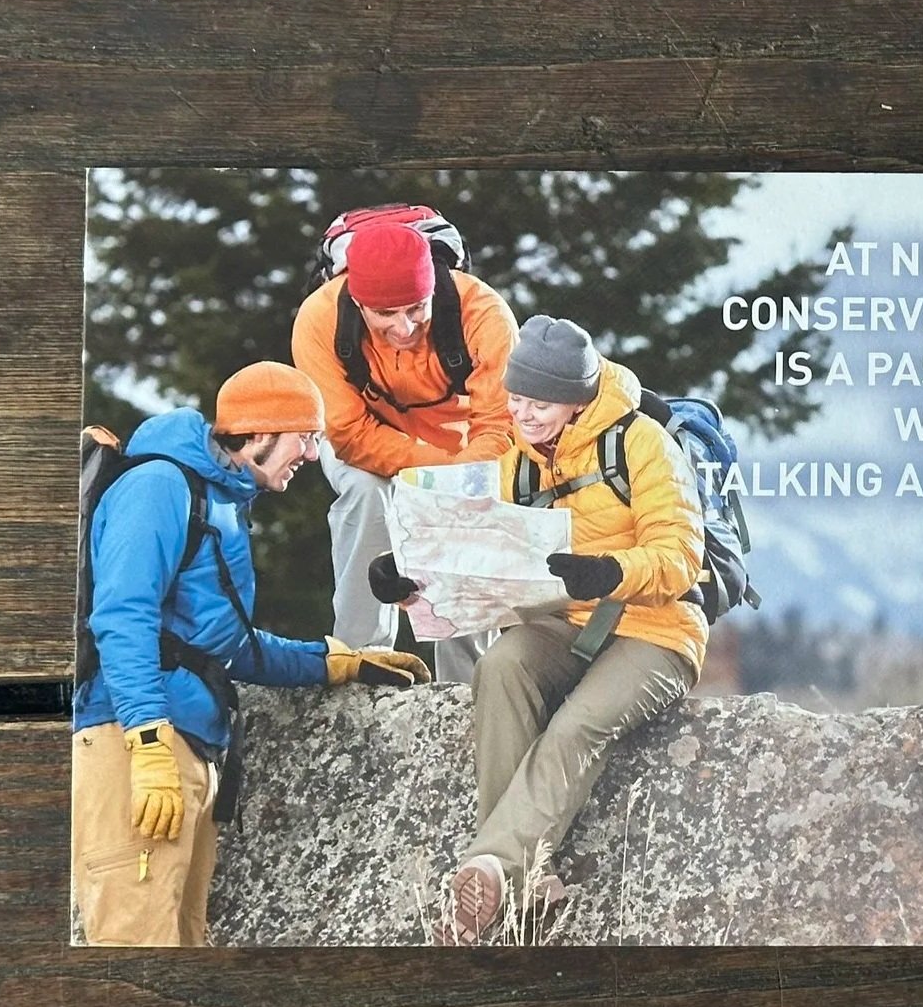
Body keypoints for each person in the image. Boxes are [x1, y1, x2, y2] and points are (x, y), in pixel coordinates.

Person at [72, 362, 434, 947]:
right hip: (133, 747)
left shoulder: (224, 503)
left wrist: (338, 660)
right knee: (133, 952)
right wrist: (147, 742)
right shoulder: (160, 485)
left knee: (184, 946)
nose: (314, 454)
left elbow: (228, 647)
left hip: (187, 750)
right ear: (261, 431)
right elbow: (122, 618)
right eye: (306, 437)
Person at [374, 317, 709, 943]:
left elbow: (681, 558)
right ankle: (524, 881)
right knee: (499, 667)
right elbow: (479, 555)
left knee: (579, 722)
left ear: (578, 399)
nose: (523, 415)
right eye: (517, 399)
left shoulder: (642, 444)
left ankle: (491, 871)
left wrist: (609, 570)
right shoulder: (514, 460)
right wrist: (408, 579)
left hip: (657, 630)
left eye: (540, 404)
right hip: (563, 622)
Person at [292, 219, 518, 682]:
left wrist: (460, 477)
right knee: (365, 495)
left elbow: (500, 425)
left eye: (417, 308)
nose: (404, 327)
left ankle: (467, 682)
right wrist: (439, 469)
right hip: (366, 436)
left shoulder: (483, 312)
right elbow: (348, 432)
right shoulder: (318, 319)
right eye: (385, 314)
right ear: (356, 300)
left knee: (467, 506)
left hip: (463, 443)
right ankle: (362, 655)